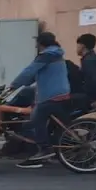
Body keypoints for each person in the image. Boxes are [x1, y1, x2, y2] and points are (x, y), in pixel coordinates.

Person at [9, 31, 71, 168]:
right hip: (60, 92)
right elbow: (35, 75)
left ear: (41, 43)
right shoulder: (55, 54)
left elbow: (29, 70)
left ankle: (44, 149)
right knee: (48, 121)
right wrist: (22, 84)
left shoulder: (46, 55)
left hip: (51, 94)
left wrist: (13, 85)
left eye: (37, 42)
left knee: (36, 119)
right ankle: (45, 148)